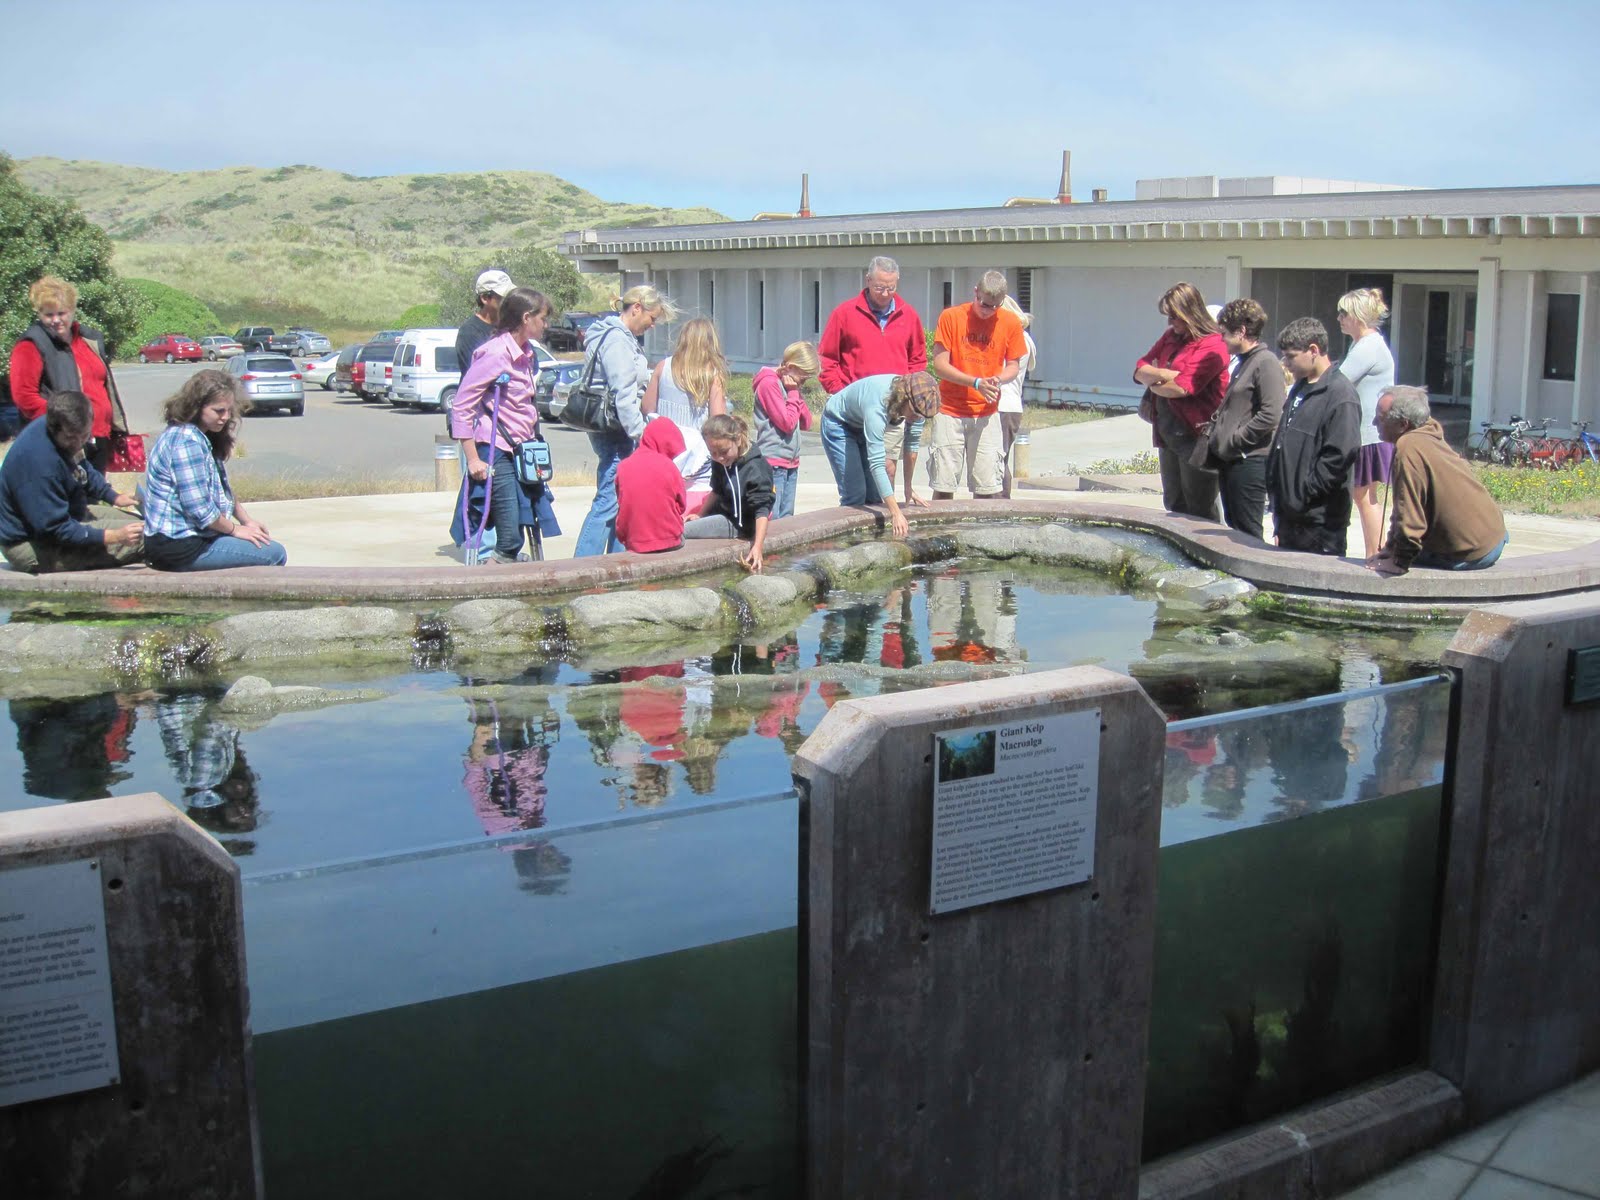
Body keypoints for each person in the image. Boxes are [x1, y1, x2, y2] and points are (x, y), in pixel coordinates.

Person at [449, 287, 555, 564]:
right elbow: (462, 405)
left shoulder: (528, 353)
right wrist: (472, 459)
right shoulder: (495, 353)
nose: (546, 325)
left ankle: (512, 583)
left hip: (523, 449)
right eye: (543, 318)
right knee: (509, 536)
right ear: (526, 318)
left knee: (527, 521)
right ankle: (491, 591)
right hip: (496, 449)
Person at [142, 370, 287, 570]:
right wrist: (235, 529)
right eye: (219, 411)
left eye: (229, 410)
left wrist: (247, 521)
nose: (226, 417)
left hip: (193, 539)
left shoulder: (201, 435)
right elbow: (200, 511)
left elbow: (221, 488)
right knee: (274, 554)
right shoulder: (185, 441)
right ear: (197, 407)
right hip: (178, 546)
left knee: (263, 544)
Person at [573, 285, 678, 557]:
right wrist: (640, 434)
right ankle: (584, 565)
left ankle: (618, 558)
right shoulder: (617, 341)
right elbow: (623, 391)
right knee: (609, 498)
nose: (652, 325)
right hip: (617, 429)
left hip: (616, 428)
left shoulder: (620, 337)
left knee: (620, 497)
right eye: (652, 318)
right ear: (637, 309)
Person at [0, 390, 143, 573]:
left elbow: (81, 467)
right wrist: (114, 536)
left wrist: (112, 496)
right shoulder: (40, 465)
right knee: (145, 538)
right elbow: (55, 530)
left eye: (84, 436)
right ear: (54, 428)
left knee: (140, 523)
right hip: (31, 542)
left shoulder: (65, 433)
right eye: (71, 438)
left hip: (64, 517)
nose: (78, 443)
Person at [1369, 385, 1508, 575]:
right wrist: (1390, 548)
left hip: (1472, 553)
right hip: (1494, 537)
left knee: (1416, 552)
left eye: (1381, 417)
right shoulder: (1429, 431)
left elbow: (1408, 512)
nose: (1374, 422)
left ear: (1403, 424)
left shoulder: (1409, 448)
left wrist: (1399, 561)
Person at [819, 256, 927, 489]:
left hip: (892, 411)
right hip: (853, 410)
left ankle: (883, 519)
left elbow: (917, 361)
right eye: (879, 287)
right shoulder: (844, 313)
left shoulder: (909, 315)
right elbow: (828, 359)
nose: (885, 293)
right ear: (867, 280)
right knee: (855, 487)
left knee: (886, 471)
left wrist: (910, 399)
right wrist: (840, 392)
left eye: (891, 288)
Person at [7, 276, 126, 472]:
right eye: (48, 314)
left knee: (94, 497)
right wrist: (67, 422)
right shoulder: (30, 345)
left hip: (98, 435)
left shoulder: (88, 339)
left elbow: (103, 387)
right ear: (39, 314)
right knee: (70, 500)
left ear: (72, 310)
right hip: (62, 440)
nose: (56, 320)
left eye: (61, 313)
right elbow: (24, 398)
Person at [1133, 282, 1230, 520]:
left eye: (1175, 317)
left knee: (1199, 505)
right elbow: (1139, 369)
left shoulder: (1213, 344)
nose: (1170, 323)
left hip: (1197, 435)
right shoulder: (1170, 337)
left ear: (1190, 312)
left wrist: (1155, 381)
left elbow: (1183, 387)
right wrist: (1165, 375)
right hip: (1168, 430)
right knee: (1174, 501)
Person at [928, 270, 1027, 500]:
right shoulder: (951, 317)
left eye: (994, 306)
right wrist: (975, 382)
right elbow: (940, 365)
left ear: (1002, 302)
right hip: (950, 411)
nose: (987, 311)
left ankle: (981, 534)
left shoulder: (1010, 322)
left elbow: (1013, 365)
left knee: (988, 487)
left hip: (986, 412)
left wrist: (998, 379)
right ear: (976, 292)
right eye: (983, 303)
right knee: (943, 485)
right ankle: (942, 534)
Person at [1266, 318, 1360, 556]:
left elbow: (1339, 456)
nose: (1286, 364)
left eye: (1291, 356)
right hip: (1289, 517)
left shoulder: (1341, 394)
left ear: (1314, 350)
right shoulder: (1301, 386)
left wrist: (1304, 494)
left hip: (1319, 524)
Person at [820, 372, 941, 539]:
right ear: (904, 398)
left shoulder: (918, 405)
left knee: (875, 496)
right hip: (838, 423)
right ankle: (850, 547)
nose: (916, 418)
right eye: (915, 413)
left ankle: (873, 543)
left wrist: (908, 487)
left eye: (921, 415)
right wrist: (896, 513)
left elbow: (911, 447)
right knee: (855, 494)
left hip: (860, 423)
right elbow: (877, 463)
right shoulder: (878, 403)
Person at [1204, 298, 1287, 540]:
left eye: (1225, 334)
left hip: (1249, 461)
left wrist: (1236, 440)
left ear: (1241, 332)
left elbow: (1272, 413)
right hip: (1231, 460)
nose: (1221, 339)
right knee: (1233, 527)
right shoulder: (1243, 363)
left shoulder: (1265, 362)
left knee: (1247, 531)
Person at [1336, 288, 1398, 562]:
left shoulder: (1367, 347)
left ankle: (1375, 554)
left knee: (1363, 496)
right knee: (1366, 495)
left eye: (1344, 313)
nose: (1339, 318)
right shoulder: (1363, 344)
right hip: (1370, 433)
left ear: (1359, 317)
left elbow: (1338, 381)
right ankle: (1377, 552)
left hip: (1368, 435)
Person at [640, 316, 728, 512]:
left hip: (665, 453)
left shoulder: (663, 366)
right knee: (691, 513)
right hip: (698, 460)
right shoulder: (712, 375)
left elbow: (647, 408)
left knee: (664, 509)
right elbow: (718, 421)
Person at [682, 413, 774, 573]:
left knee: (680, 533)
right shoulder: (720, 460)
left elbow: (762, 510)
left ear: (738, 439)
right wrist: (701, 514)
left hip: (739, 525)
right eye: (713, 453)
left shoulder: (756, 468)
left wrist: (757, 547)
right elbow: (717, 491)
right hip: (722, 515)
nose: (719, 458)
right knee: (682, 526)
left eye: (723, 451)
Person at [752, 341, 820, 518]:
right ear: (790, 367)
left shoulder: (790, 387)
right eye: (803, 378)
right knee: (774, 517)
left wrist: (795, 392)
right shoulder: (769, 384)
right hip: (774, 461)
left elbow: (806, 423)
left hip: (791, 461)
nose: (803, 383)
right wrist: (792, 394)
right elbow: (787, 423)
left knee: (787, 517)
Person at [615, 418, 688, 554]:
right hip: (670, 540)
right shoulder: (669, 466)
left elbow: (623, 503)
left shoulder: (623, 466)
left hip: (634, 542)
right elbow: (682, 505)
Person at [996, 297, 1038, 499]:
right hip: (1013, 405)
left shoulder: (1013, 338)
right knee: (1000, 460)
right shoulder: (1027, 338)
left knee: (995, 461)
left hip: (1002, 405)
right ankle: (1001, 503)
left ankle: (999, 505)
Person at [454, 268, 515, 380]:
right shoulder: (469, 332)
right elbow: (477, 374)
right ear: (485, 298)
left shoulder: (513, 327)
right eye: (504, 297)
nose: (510, 302)